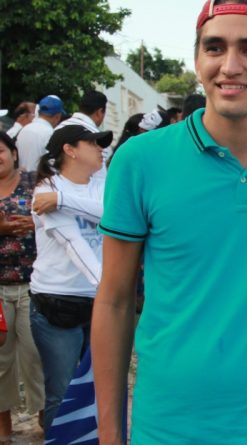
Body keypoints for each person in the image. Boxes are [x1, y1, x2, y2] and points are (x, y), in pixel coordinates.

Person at [92, 0, 247, 443]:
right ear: (198, 60)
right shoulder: (140, 160)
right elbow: (114, 301)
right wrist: (109, 433)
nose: (230, 66)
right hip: (166, 429)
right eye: (215, 47)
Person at [28, 125, 110, 433]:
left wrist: (62, 200)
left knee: (100, 390)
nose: (101, 149)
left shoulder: (98, 186)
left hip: (99, 302)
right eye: (93, 143)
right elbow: (74, 244)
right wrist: (106, 287)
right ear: (70, 150)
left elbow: (113, 214)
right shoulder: (45, 189)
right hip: (57, 302)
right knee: (62, 394)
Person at [0, 132, 44, 444]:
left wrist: (34, 222)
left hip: (33, 283)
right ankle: (3, 426)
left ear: (14, 153)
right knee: (0, 361)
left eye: (0, 151)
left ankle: (44, 422)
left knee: (35, 356)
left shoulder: (35, 182)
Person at [17, 96, 64, 172]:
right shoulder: (50, 133)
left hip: (21, 176)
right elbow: (52, 165)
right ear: (57, 116)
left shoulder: (24, 129)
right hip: (40, 178)